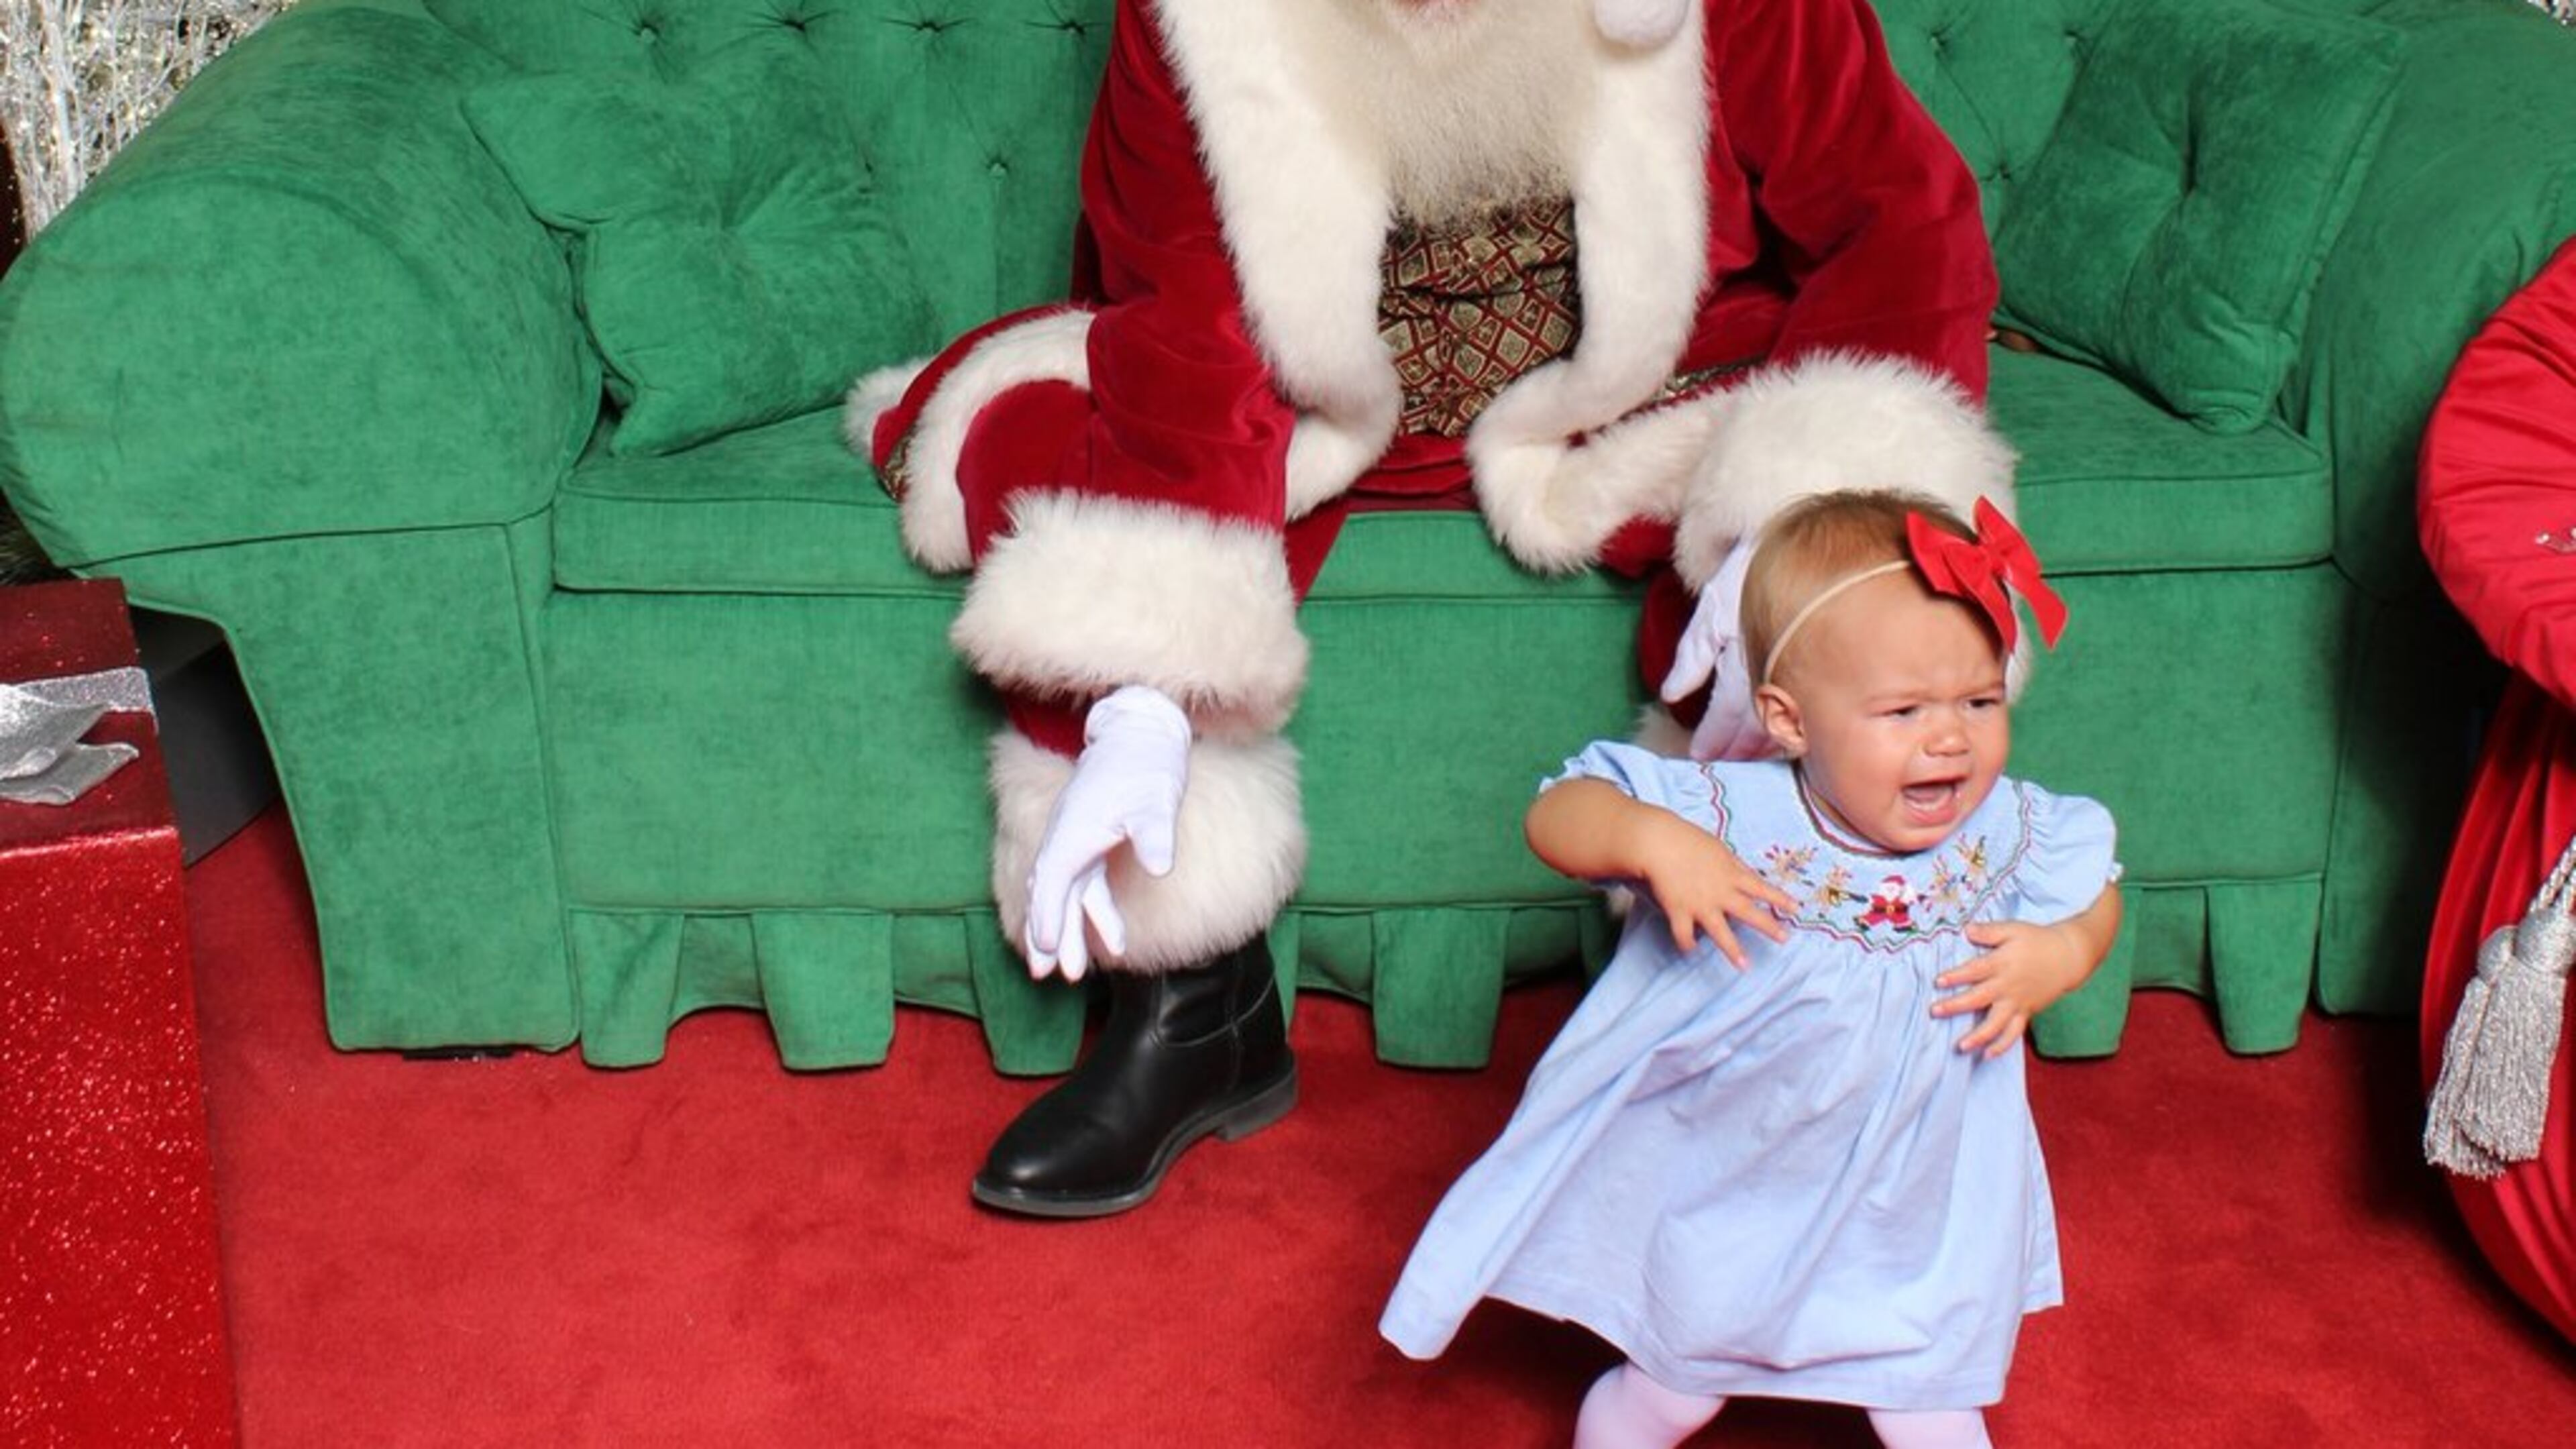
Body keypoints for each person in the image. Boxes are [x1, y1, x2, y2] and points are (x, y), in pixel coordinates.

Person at [853, 0, 2010, 1218]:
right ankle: (1192, 1004)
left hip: (1626, 400)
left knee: (1839, 523)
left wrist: (1799, 548)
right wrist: (1139, 700)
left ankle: (1770, 1004)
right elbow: (1179, 309)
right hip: (1316, 403)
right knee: (1040, 458)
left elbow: (1900, 220)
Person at [1379, 490, 2123, 1449]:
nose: (1952, 738)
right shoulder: (1740, 813)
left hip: (1910, 1197)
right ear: (1789, 719)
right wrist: (1650, 841)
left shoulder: (2003, 829)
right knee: (1674, 1387)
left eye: (1980, 700)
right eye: (1903, 711)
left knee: (1931, 1400)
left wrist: (2063, 951)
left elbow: (2092, 882)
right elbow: (1559, 812)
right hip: (1740, 1176)